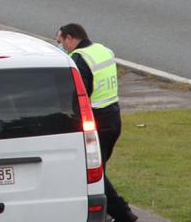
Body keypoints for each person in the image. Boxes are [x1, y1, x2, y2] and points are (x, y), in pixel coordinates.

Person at [57, 23, 138, 222]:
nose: (60, 46)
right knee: (98, 171)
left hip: (97, 123)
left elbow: (80, 95)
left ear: (70, 38)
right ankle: (106, 212)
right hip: (114, 119)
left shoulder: (78, 58)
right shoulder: (103, 50)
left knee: (93, 173)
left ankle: (123, 214)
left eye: (60, 42)